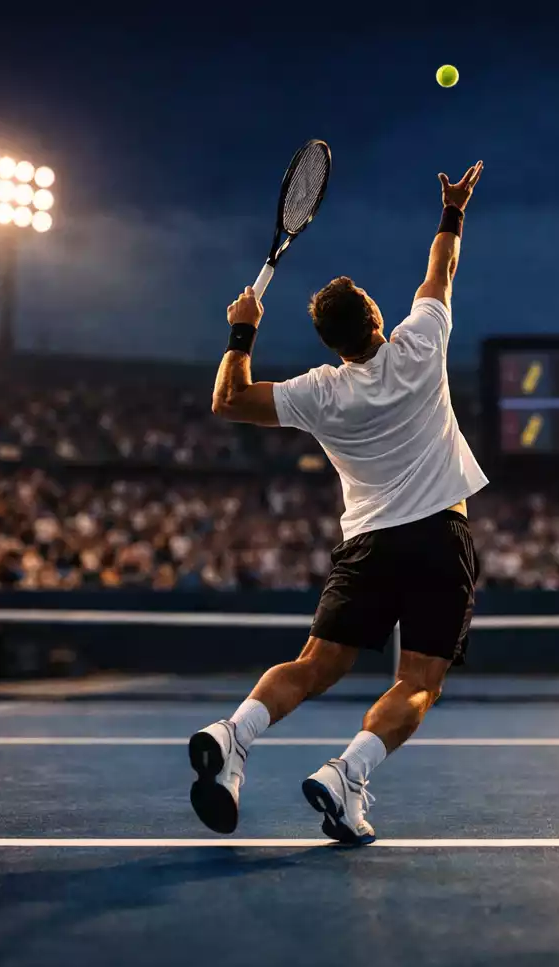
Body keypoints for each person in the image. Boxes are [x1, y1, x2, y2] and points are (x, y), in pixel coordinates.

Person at [188, 161, 488, 844]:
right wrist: (453, 210)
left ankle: (235, 735)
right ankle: (348, 773)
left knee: (316, 665)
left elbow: (227, 400)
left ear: (329, 344)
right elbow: (438, 271)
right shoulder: (421, 344)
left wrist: (243, 327)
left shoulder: (319, 392)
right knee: (418, 682)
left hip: (369, 546)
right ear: (378, 319)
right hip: (440, 538)